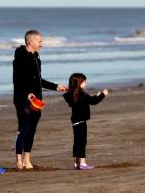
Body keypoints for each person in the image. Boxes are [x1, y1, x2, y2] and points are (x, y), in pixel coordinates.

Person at [13, 30, 67, 169]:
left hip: (37, 100)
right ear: (31, 42)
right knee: (24, 129)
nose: (42, 44)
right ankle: (18, 161)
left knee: (32, 130)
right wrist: (27, 94)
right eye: (40, 41)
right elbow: (18, 80)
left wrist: (56, 87)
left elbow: (38, 81)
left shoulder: (36, 59)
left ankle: (27, 160)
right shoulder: (20, 58)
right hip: (23, 100)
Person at [63, 73, 109, 170]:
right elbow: (93, 101)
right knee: (82, 142)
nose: (86, 83)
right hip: (81, 122)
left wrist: (95, 96)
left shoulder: (72, 95)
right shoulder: (82, 95)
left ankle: (76, 163)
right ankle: (83, 163)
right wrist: (103, 94)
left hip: (75, 122)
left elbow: (89, 100)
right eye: (84, 82)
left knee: (77, 142)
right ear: (78, 83)